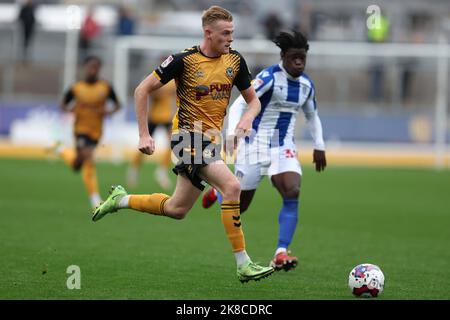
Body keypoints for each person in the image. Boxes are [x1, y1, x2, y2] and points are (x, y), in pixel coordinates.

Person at [92, 6, 274, 283]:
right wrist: (144, 134)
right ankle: (243, 264)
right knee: (232, 186)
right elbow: (142, 90)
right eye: (226, 34)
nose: (230, 39)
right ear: (208, 33)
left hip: (210, 138)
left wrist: (247, 119)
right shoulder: (183, 61)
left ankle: (121, 200)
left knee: (177, 209)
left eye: (232, 33)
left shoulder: (235, 61)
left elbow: (254, 100)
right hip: (187, 136)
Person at [202, 30, 327, 272]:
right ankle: (217, 192)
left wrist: (319, 145)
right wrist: (233, 133)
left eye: (303, 58)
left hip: (283, 146)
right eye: (294, 57)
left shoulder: (306, 85)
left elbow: (312, 116)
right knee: (239, 206)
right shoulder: (268, 77)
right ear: (283, 56)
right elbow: (239, 103)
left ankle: (281, 253)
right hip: (254, 145)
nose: (299, 62)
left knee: (292, 190)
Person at [53, 56, 121, 209]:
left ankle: (62, 150)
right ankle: (95, 198)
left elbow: (118, 105)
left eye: (96, 67)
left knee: (77, 164)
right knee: (88, 157)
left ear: (99, 69)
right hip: (80, 130)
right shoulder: (76, 88)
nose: (93, 70)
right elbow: (63, 103)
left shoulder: (105, 87)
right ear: (85, 67)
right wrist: (68, 109)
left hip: (97, 131)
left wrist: (109, 111)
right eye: (90, 67)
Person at [126, 77, 176, 190]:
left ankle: (161, 171)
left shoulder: (173, 81)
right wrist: (160, 91)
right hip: (154, 116)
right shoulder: (157, 78)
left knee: (174, 143)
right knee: (145, 145)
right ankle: (134, 168)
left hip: (167, 116)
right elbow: (150, 93)